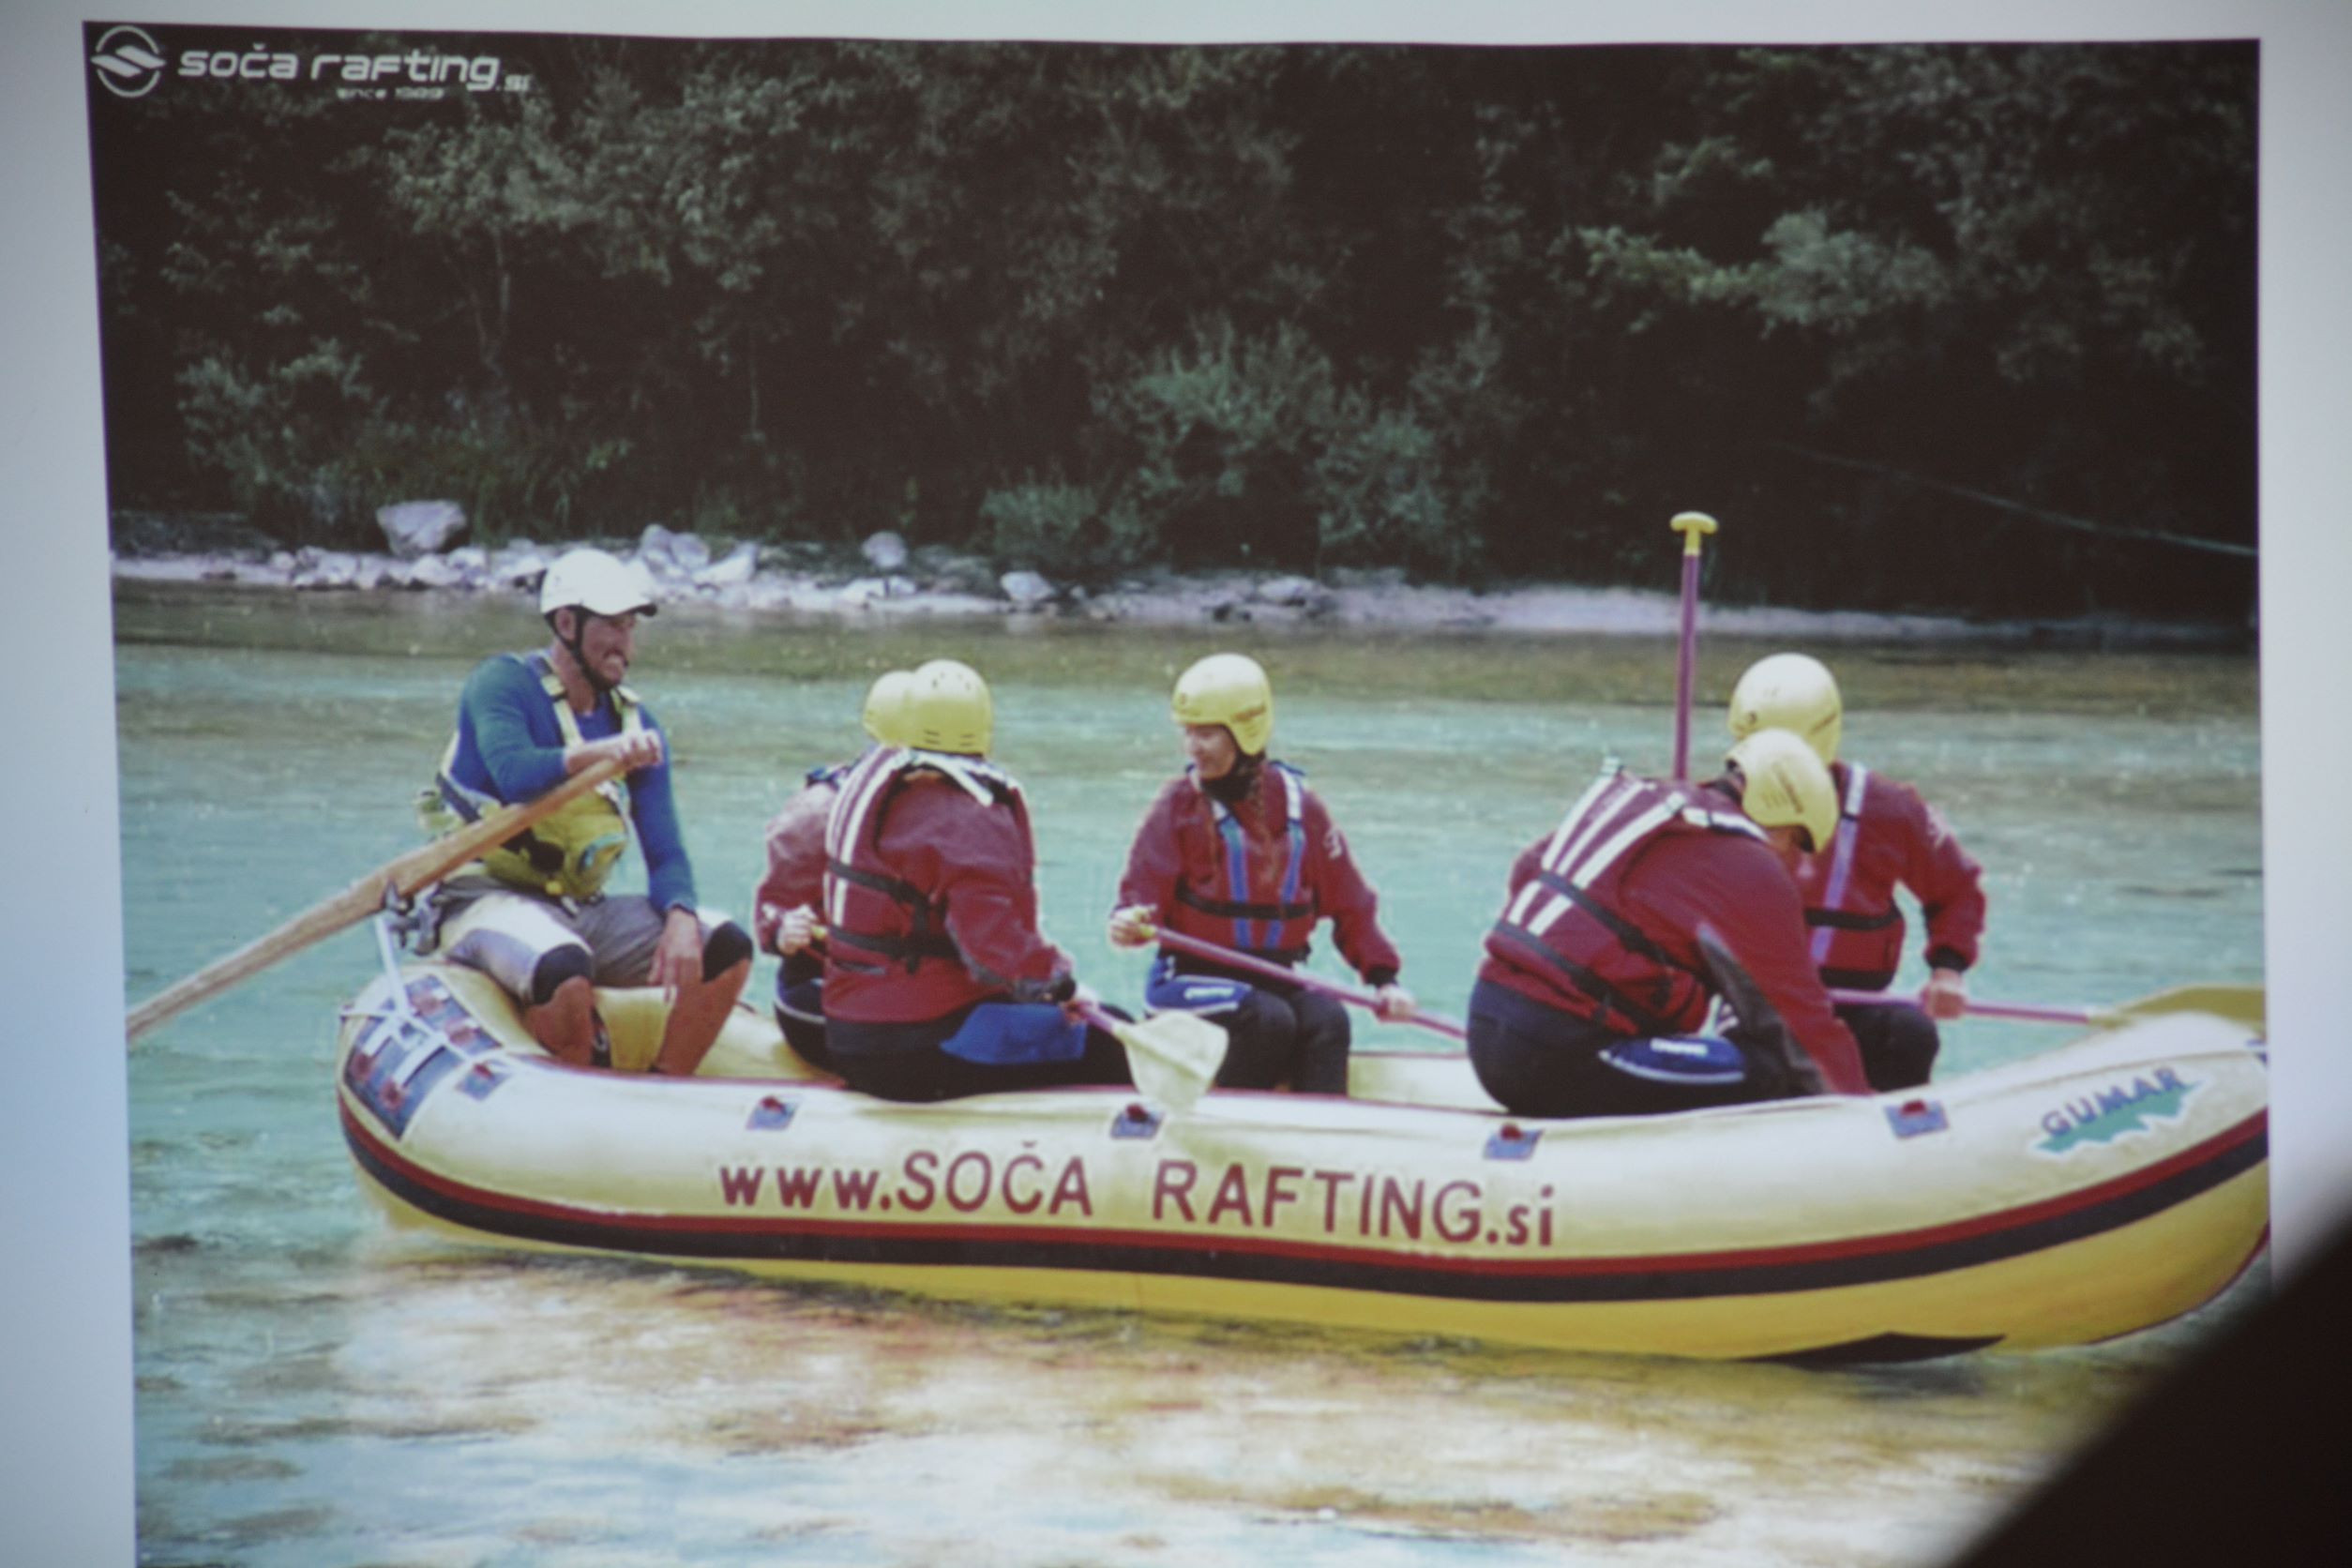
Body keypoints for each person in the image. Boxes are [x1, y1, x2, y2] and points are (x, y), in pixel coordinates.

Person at [416, 546, 752, 1074]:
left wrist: (682, 914)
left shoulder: (636, 724)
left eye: (630, 628)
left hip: (578, 908)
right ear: (567, 623)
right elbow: (516, 774)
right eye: (613, 627)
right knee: (564, 967)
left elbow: (665, 853)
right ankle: (569, 1092)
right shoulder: (501, 684)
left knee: (727, 946)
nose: (626, 645)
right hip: (481, 898)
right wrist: (600, 754)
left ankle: (666, 1085)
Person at [1465, 729, 1871, 1118]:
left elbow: (1529, 870)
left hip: (1487, 1024)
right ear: (1779, 814)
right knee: (1769, 1069)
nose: (1796, 866)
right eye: (1796, 843)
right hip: (1563, 1051)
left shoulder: (1650, 807)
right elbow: (1798, 1019)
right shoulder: (1748, 865)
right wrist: (1861, 1111)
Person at [819, 658, 1131, 1102]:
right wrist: (1060, 984)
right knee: (1110, 1039)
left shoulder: (875, 785)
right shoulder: (965, 816)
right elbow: (991, 950)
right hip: (923, 1044)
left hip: (849, 1038)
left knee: (1033, 1018)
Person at [1107, 653, 1414, 1095]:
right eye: (1188, 732)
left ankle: (1318, 1136)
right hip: (1186, 982)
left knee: (1327, 1019)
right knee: (1267, 1019)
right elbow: (1140, 898)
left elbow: (1351, 904)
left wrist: (1385, 979)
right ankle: (1227, 1127)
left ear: (1245, 732)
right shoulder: (1178, 806)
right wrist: (1130, 922)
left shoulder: (1301, 808)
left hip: (1274, 978)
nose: (1193, 746)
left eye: (1207, 733)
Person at [1727, 652, 1987, 1091]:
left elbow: (1957, 890)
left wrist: (1947, 971)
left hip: (1857, 1006)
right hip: (1758, 1008)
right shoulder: (1721, 803)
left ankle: (1899, 1139)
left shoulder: (1893, 810)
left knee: (1910, 1035)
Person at [751, 670, 913, 1071]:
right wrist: (784, 929)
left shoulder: (945, 810)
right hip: (819, 992)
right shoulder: (817, 813)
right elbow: (770, 915)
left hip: (903, 985)